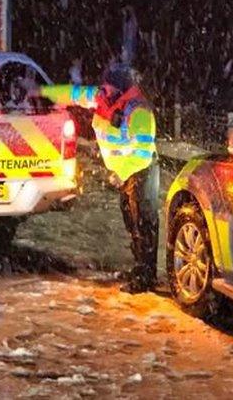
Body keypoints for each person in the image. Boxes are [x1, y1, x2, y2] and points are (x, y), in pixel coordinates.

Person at [37, 64, 159, 293]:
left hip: (141, 172)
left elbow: (142, 152)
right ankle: (139, 267)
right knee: (132, 222)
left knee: (144, 224)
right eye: (104, 85)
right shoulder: (103, 98)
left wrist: (120, 172)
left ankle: (146, 276)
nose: (103, 89)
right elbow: (74, 94)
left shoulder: (138, 111)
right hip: (125, 175)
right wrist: (42, 92)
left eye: (109, 86)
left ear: (121, 88)